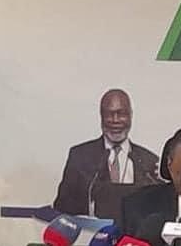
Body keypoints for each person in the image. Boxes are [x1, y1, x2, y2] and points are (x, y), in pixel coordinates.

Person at [53, 88, 160, 216]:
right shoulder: (80, 157)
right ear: (101, 116)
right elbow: (62, 209)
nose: (115, 120)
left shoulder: (149, 162)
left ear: (131, 115)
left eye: (121, 114)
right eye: (109, 114)